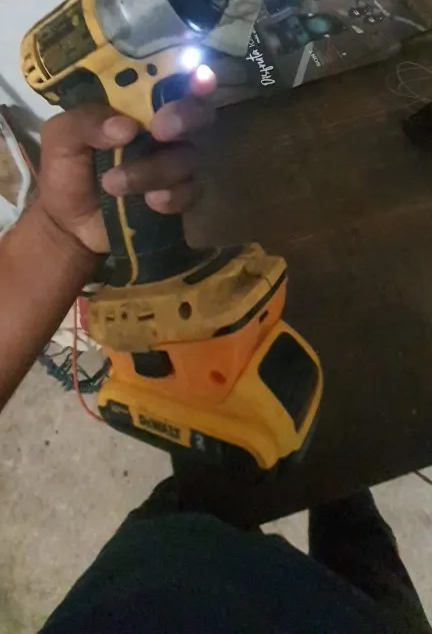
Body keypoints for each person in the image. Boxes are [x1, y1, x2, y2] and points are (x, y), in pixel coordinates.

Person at [0, 74, 430, 634]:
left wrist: (63, 231)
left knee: (210, 511)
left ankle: (325, 497)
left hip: (158, 566)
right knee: (367, 563)